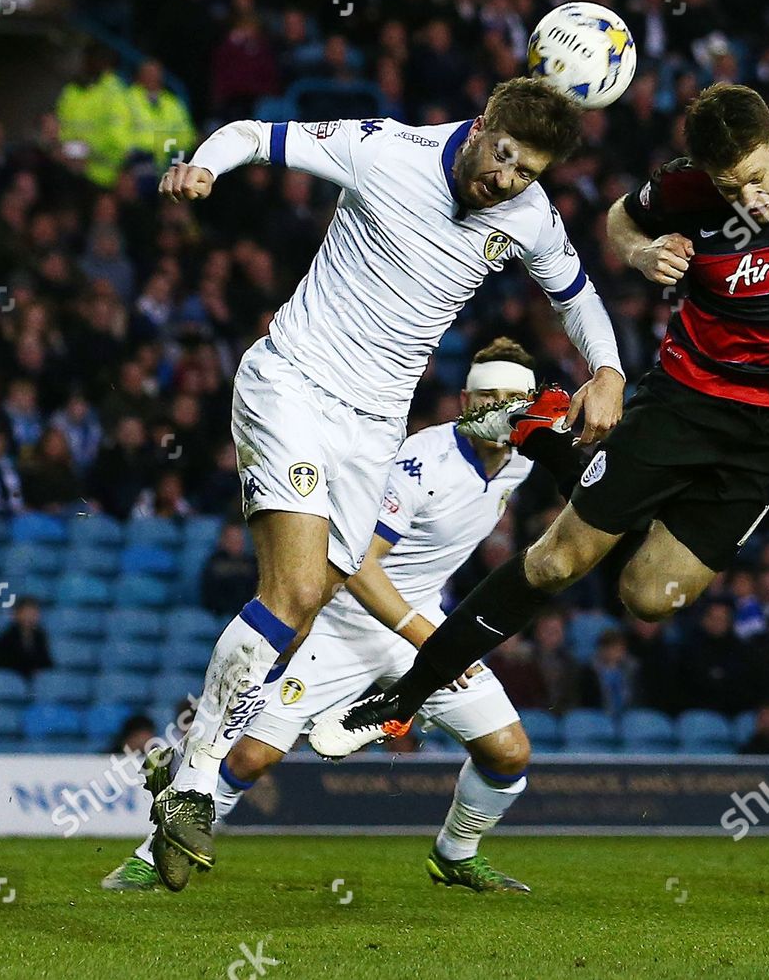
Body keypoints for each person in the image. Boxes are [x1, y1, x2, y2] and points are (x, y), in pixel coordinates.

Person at [310, 82, 769, 759]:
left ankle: (557, 439)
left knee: (650, 598)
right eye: (730, 188)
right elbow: (620, 217)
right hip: (686, 402)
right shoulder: (686, 187)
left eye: (757, 176)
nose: (750, 197)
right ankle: (401, 699)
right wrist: (642, 249)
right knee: (560, 559)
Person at [147, 78, 624, 874]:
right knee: (294, 591)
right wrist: (204, 164)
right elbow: (253, 132)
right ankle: (193, 781)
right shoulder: (384, 148)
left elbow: (578, 295)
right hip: (294, 382)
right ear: (478, 128)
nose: (505, 179)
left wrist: (605, 368)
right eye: (502, 156)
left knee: (307, 600)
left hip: (374, 427)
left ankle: (185, 761)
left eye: (526, 171)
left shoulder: (529, 216)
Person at [104, 341, 544, 894]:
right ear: (463, 400)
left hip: (420, 622)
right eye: (485, 397)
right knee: (251, 756)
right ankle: (150, 854)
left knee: (508, 753)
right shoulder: (420, 464)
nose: (497, 409)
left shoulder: (524, 458)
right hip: (351, 621)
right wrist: (429, 638)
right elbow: (357, 564)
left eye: (511, 399)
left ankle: (454, 854)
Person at [0, 598, 54, 678]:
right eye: (26, 613)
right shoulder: (7, 636)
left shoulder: (40, 635)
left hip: (35, 679)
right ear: (17, 614)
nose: (29, 617)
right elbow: (3, 662)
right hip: (11, 678)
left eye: (33, 613)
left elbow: (46, 662)